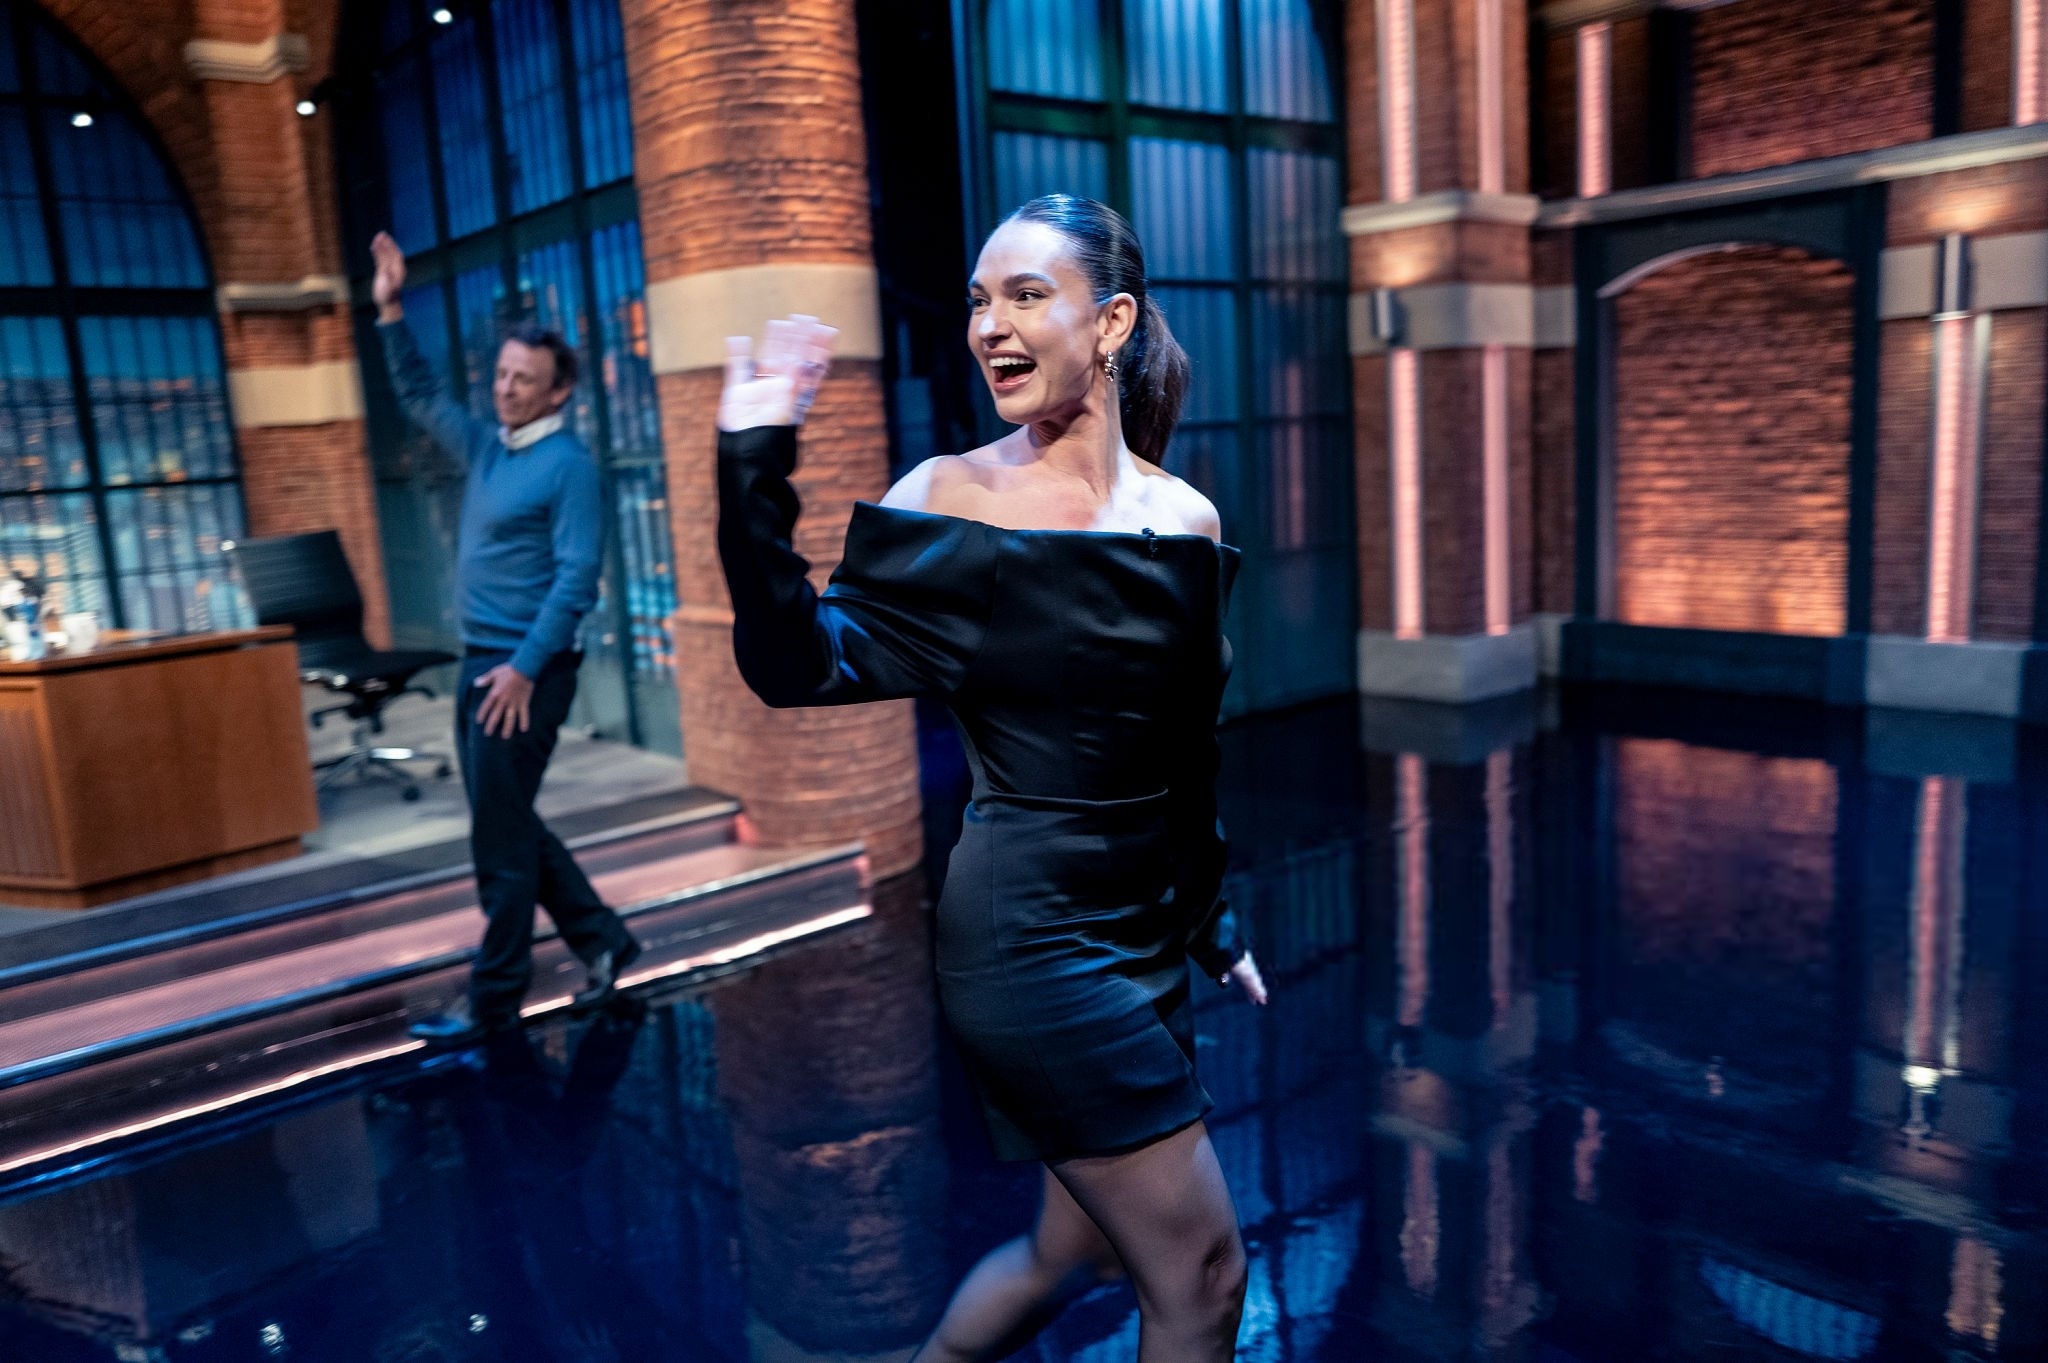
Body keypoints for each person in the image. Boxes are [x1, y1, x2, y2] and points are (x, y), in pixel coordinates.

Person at [716, 194, 1269, 1362]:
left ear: (1111, 322)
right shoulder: (948, 496)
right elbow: (794, 665)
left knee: (1071, 1255)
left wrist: (1209, 920)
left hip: (1141, 934)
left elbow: (1179, 753)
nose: (988, 325)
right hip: (1031, 946)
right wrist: (752, 466)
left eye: (1024, 294)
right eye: (978, 300)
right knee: (1204, 1278)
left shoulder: (1182, 516)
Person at [369, 231, 641, 1046]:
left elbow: (578, 579)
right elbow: (421, 396)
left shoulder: (570, 468)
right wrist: (390, 309)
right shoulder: (489, 447)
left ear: (559, 392)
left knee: (500, 840)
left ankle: (491, 1003)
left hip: (527, 670)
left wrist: (523, 670)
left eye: (524, 380)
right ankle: (603, 940)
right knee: (508, 817)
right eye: (501, 375)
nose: (506, 389)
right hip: (482, 660)